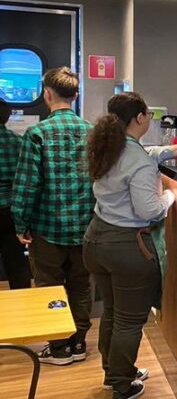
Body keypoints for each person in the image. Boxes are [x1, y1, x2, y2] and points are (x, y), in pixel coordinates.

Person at [85, 92, 177, 399]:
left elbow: (146, 154)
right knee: (129, 320)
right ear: (140, 117)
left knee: (112, 312)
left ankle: (113, 373)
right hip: (126, 247)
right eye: (149, 116)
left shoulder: (110, 147)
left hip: (96, 240)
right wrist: (170, 197)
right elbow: (150, 210)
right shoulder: (138, 161)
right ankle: (122, 384)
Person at [12, 67, 94, 365]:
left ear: (47, 94)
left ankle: (59, 347)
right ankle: (79, 342)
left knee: (50, 286)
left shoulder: (36, 134)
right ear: (75, 95)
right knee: (81, 285)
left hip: (47, 227)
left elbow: (26, 185)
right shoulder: (92, 132)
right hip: (86, 226)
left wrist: (21, 223)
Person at [0, 99, 31, 289]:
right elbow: (26, 181)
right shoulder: (19, 142)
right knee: (16, 262)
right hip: (10, 210)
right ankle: (22, 300)